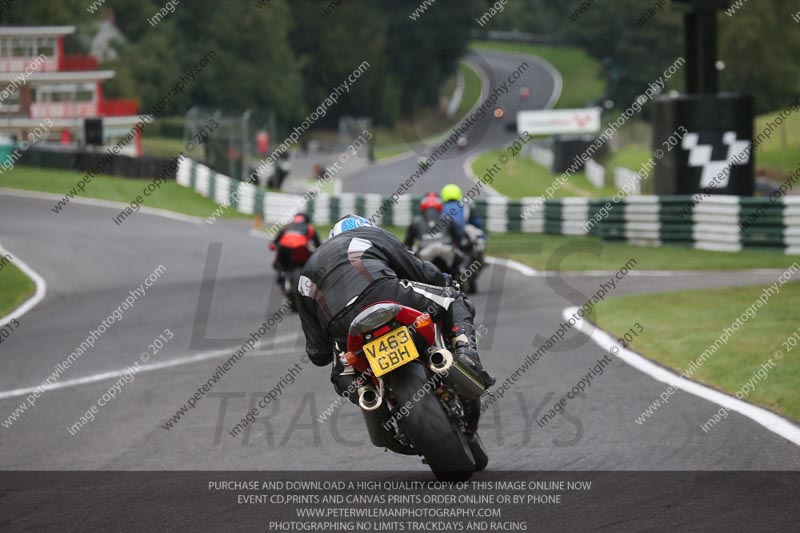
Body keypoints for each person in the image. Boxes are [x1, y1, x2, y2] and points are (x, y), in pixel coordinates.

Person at [296, 214, 495, 402]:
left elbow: (318, 354)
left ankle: (366, 394)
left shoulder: (307, 271)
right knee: (453, 299)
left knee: (341, 371)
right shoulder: (371, 234)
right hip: (383, 292)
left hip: (341, 324)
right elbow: (419, 271)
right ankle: (466, 354)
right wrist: (445, 281)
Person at [269, 213, 320, 283]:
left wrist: (273, 246)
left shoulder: (287, 227)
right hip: (300, 247)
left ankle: (281, 273)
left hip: (284, 246)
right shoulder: (309, 228)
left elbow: (274, 243)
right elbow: (318, 244)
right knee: (310, 259)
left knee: (277, 262)